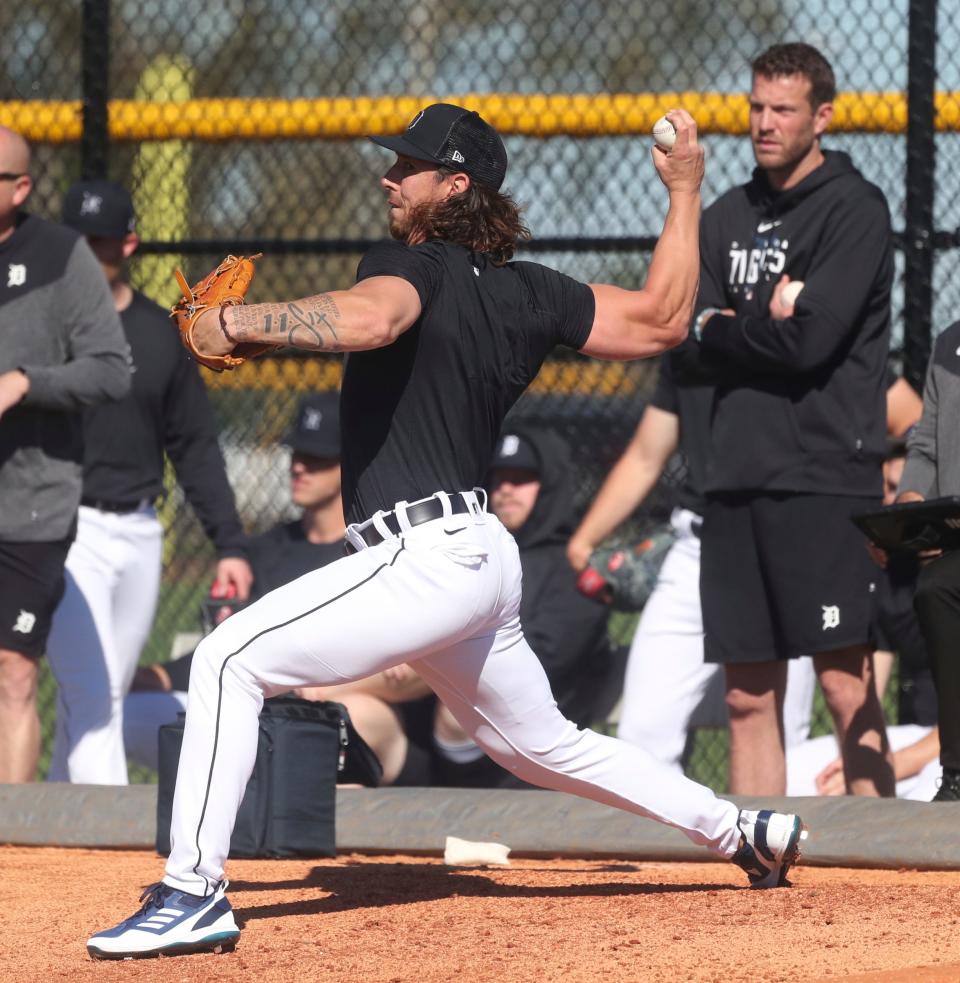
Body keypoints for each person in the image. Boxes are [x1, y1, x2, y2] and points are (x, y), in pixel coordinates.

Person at [88, 102, 807, 961]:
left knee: (227, 659)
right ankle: (741, 828)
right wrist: (684, 192)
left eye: (409, 166)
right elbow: (661, 316)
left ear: (454, 185)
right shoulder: (529, 290)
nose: (390, 176)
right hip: (475, 559)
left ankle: (192, 891)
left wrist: (241, 321)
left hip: (421, 557)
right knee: (546, 746)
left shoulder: (409, 263)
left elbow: (374, 319)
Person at [691, 43, 895, 797]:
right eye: (756, 107)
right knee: (747, 693)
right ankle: (762, 861)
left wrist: (722, 325)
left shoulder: (856, 208)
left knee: (844, 681)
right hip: (735, 473)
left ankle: (885, 863)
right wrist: (757, 320)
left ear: (823, 116)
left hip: (824, 476)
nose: (765, 124)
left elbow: (812, 342)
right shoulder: (724, 216)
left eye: (783, 109)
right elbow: (682, 340)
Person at [43, 179, 253, 785]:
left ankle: (50, 837)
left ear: (128, 244)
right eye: (75, 243)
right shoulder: (37, 325)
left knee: (100, 697)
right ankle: (107, 839)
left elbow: (194, 446)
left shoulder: (158, 334)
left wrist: (231, 543)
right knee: (94, 694)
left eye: (100, 244)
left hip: (138, 529)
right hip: (63, 526)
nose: (86, 255)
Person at [567, 347, 816, 775]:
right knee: (642, 737)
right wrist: (585, 539)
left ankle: (781, 843)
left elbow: (894, 416)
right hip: (696, 551)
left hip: (782, 547)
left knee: (783, 737)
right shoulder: (691, 350)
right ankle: (674, 841)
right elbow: (647, 455)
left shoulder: (796, 337)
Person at [123, 391, 351, 772]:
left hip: (334, 712)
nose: (299, 467)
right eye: (297, 453)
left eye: (317, 459)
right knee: (125, 714)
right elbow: (225, 648)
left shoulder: (369, 552)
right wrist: (156, 676)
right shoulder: (263, 551)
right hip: (252, 711)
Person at [0, 129, 131, 783]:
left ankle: (10, 849)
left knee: (14, 669)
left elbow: (112, 370)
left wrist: (26, 381)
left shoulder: (60, 255)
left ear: (20, 188)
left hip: (30, 504)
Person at [895, 318, 960, 801]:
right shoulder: (949, 343)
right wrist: (912, 502)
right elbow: (925, 446)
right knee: (937, 587)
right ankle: (956, 775)